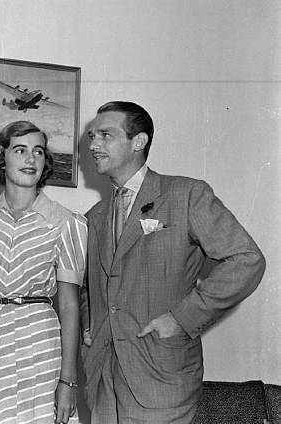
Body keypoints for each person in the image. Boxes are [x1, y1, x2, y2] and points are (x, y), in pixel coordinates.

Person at [81, 101, 266, 423]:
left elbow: (246, 260)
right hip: (104, 380)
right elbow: (88, 287)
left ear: (138, 142)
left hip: (161, 376)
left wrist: (181, 319)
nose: (93, 145)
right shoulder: (94, 217)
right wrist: (89, 324)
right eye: (92, 136)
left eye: (105, 135)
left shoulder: (186, 194)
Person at [0, 121, 87, 424]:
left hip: (39, 347)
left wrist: (68, 381)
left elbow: (68, 305)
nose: (30, 159)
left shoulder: (68, 222)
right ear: (3, 157)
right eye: (21, 150)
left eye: (38, 152)